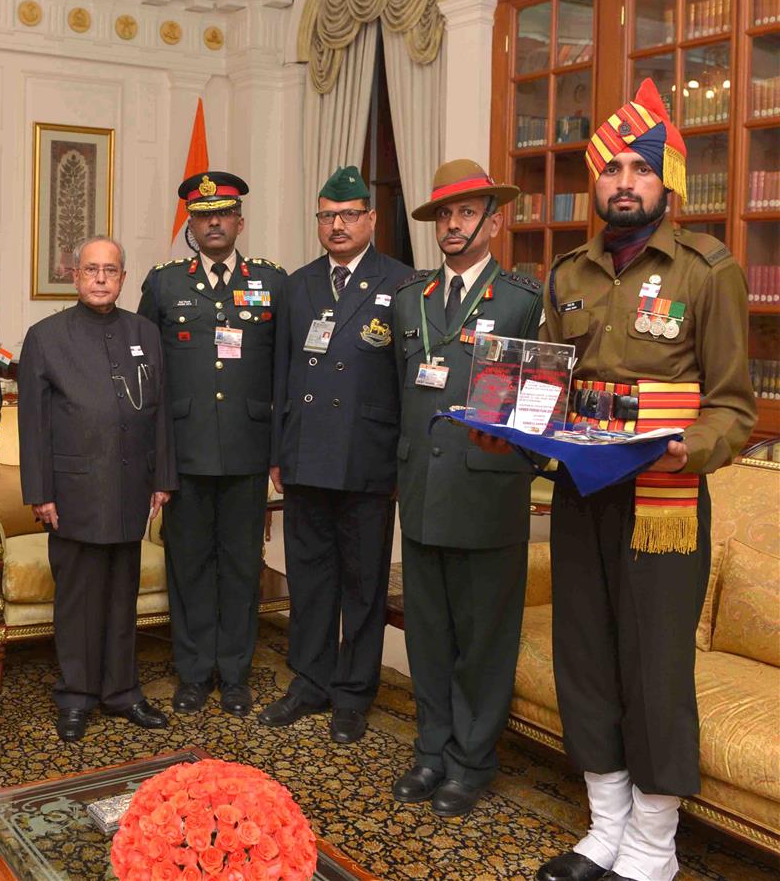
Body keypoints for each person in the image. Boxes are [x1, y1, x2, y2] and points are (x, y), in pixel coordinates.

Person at [472, 80, 755, 881]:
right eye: (610, 169)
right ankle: (606, 824)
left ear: (667, 181)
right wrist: (516, 435)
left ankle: (653, 844)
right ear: (594, 183)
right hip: (581, 495)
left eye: (639, 167)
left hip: (663, 504)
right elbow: (551, 389)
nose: (623, 182)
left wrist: (684, 449)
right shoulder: (567, 273)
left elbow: (734, 406)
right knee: (586, 659)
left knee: (655, 669)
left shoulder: (708, 270)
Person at [390, 160, 544, 818]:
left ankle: (471, 763)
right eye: (444, 215)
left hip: (487, 493)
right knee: (428, 634)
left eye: (466, 213)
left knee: (483, 639)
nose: (452, 225)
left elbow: (542, 398)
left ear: (494, 219)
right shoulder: (411, 299)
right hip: (422, 490)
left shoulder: (522, 299)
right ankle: (431, 752)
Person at [263, 165, 412, 740]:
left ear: (370, 219)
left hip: (367, 455)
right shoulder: (296, 284)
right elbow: (281, 374)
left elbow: (405, 376)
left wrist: (401, 456)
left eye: (349, 215)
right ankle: (309, 681)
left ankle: (353, 692)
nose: (338, 225)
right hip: (304, 454)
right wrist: (278, 450)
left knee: (362, 581)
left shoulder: (401, 281)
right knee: (310, 577)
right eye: (327, 216)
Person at [18, 236, 179, 742]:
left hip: (131, 486)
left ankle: (122, 691)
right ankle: (76, 695)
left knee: (120, 594)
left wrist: (162, 479)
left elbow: (160, 412)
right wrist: (40, 492)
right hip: (72, 491)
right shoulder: (45, 336)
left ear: (124, 278)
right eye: (92, 270)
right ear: (75, 276)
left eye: (111, 270)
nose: (102, 279)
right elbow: (33, 424)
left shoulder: (144, 332)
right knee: (78, 598)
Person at [137, 171, 286, 717]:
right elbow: (146, 369)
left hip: (247, 450)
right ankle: (195, 672)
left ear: (239, 222)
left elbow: (283, 369)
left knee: (243, 565)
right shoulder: (164, 282)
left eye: (223, 214)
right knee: (191, 565)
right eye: (203, 217)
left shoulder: (271, 280)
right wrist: (155, 456)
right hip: (185, 449)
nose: (214, 223)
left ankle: (237, 674)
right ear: (191, 226)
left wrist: (277, 452)